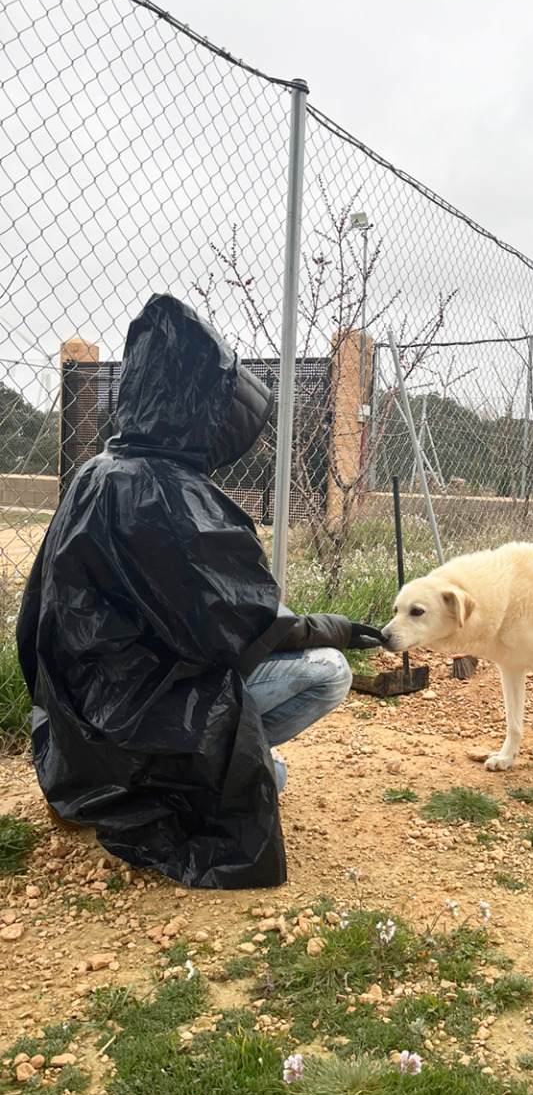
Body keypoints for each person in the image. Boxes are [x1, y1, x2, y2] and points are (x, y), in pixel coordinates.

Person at [16, 294, 381, 889]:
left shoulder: (94, 474)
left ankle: (111, 785)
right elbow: (249, 626)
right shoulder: (169, 495)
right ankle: (181, 786)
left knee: (254, 718)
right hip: (144, 717)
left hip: (78, 717)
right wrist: (333, 628)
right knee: (328, 671)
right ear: (202, 408)